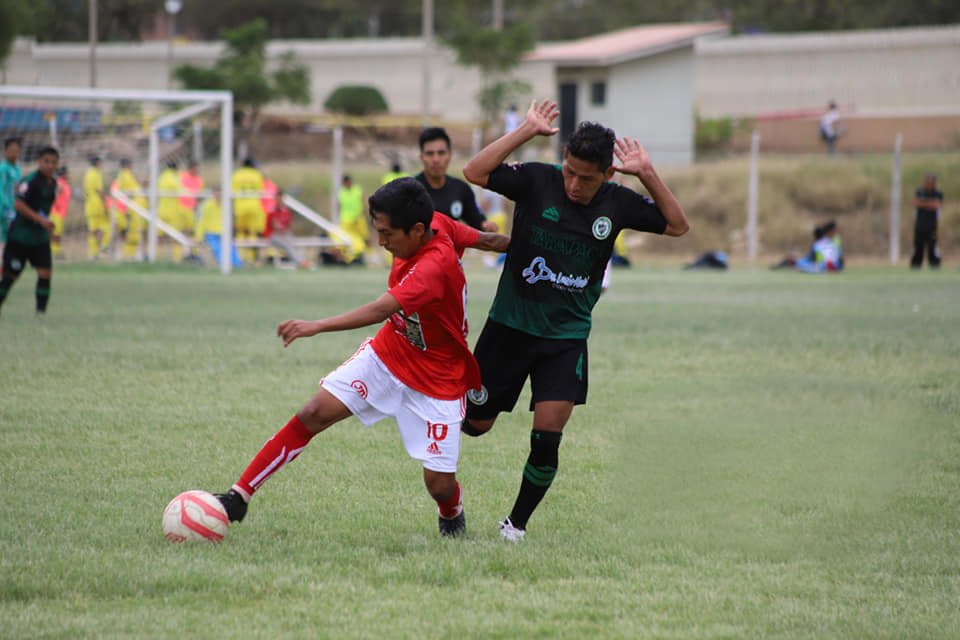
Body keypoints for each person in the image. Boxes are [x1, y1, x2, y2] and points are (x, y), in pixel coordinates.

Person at [211, 177, 510, 538]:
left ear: (417, 231)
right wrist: (514, 240)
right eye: (377, 231)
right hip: (392, 352)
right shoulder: (437, 222)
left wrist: (316, 325)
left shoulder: (434, 266)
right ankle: (238, 496)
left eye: (387, 234)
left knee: (439, 484)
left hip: (439, 379)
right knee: (313, 413)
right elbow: (488, 241)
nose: (381, 242)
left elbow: (381, 307)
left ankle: (451, 511)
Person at [460, 99, 690, 541]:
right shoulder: (537, 180)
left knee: (547, 433)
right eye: (569, 171)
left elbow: (678, 226)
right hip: (508, 327)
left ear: (607, 174)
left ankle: (516, 525)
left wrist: (646, 172)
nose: (573, 184)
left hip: (565, 339)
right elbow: (474, 171)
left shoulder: (618, 203)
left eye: (586, 178)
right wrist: (525, 130)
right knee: (475, 425)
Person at [0, 146, 59, 317]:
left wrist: (47, 228)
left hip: (39, 238)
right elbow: (18, 205)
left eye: (53, 162)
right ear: (39, 162)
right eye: (46, 162)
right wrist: (40, 220)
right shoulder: (30, 181)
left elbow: (43, 210)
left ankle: (40, 314)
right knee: (10, 276)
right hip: (20, 237)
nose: (50, 165)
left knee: (45, 273)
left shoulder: (53, 183)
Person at [415, 127, 498, 232]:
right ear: (421, 157)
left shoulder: (461, 189)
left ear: (450, 155)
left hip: (451, 248)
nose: (436, 159)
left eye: (441, 153)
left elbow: (477, 220)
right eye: (430, 154)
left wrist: (486, 226)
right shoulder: (411, 191)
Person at [194, 189, 243, 268]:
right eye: (217, 193)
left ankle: (237, 266)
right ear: (213, 193)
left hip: (224, 234)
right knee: (218, 249)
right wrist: (199, 237)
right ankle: (225, 266)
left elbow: (231, 220)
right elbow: (201, 222)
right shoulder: (206, 206)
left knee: (231, 249)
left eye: (220, 193)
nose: (218, 195)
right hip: (210, 234)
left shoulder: (226, 205)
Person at [232, 158, 266, 264]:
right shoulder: (257, 174)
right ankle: (252, 258)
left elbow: (232, 190)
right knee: (252, 233)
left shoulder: (236, 174)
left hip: (240, 207)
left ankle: (240, 258)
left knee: (240, 233)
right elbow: (261, 190)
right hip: (254, 207)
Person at [112, 158, 147, 260]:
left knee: (132, 232)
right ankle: (129, 255)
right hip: (132, 208)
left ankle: (130, 254)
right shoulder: (125, 175)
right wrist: (128, 208)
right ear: (127, 165)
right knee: (132, 232)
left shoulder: (126, 176)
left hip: (133, 208)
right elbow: (127, 192)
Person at [264, 190, 309, 268]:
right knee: (287, 244)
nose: (279, 201)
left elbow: (287, 226)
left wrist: (284, 231)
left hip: (284, 234)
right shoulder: (271, 211)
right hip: (272, 235)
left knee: (293, 242)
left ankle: (300, 261)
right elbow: (274, 226)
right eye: (277, 199)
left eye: (280, 198)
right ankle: (301, 262)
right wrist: (282, 231)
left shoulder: (286, 211)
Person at [910, 174, 942, 269]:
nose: (928, 184)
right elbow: (916, 203)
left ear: (933, 183)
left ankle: (935, 265)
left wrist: (923, 203)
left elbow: (936, 205)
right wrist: (929, 204)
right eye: (926, 182)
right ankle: (915, 266)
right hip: (919, 225)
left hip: (932, 226)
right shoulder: (919, 192)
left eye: (930, 182)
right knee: (918, 246)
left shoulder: (937, 193)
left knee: (933, 247)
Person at [337, 174, 368, 264]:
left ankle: (368, 258)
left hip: (358, 220)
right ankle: (347, 260)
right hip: (346, 221)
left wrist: (366, 215)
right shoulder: (341, 192)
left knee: (365, 239)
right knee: (345, 241)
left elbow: (363, 203)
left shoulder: (357, 190)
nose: (347, 184)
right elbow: (339, 206)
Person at [83, 155, 108, 258]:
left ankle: (93, 253)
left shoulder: (87, 174)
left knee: (92, 230)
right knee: (105, 227)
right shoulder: (97, 174)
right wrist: (105, 203)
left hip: (89, 205)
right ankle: (104, 248)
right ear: (97, 163)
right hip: (97, 204)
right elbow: (99, 190)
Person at [1, 137, 23, 249]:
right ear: (6, 151)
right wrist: (6, 207)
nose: (14, 153)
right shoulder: (3, 169)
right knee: (5, 238)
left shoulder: (17, 168)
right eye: (11, 150)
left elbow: (17, 188)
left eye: (16, 150)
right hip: (4, 210)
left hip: (14, 209)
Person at [50, 166, 72, 258]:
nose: (69, 175)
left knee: (57, 233)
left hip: (61, 213)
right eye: (67, 173)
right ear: (63, 174)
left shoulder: (65, 183)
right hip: (56, 212)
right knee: (55, 233)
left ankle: (56, 251)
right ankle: (54, 252)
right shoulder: (59, 183)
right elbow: (53, 194)